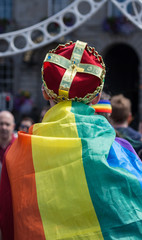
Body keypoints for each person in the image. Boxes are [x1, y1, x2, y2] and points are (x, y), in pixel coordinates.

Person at [0, 40, 142, 240]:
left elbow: (8, 224)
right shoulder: (120, 150)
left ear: (44, 92)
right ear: (97, 97)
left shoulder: (16, 154)